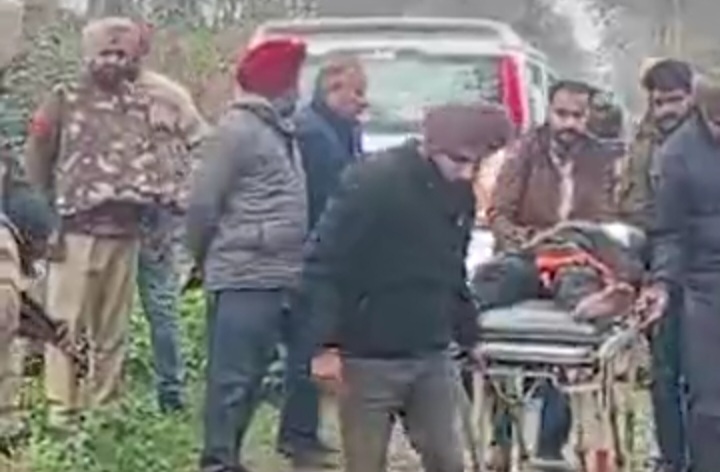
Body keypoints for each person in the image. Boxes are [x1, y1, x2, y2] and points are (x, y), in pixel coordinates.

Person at [304, 102, 513, 472]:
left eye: (476, 163)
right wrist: (324, 345)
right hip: (366, 354)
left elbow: (451, 269)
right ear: (432, 147)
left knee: (449, 460)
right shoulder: (373, 182)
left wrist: (469, 335)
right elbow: (324, 263)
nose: (467, 172)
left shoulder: (459, 194)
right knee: (365, 463)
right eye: (459, 160)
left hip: (431, 352)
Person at [23, 17, 176, 430]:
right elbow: (36, 159)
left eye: (121, 53)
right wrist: (47, 220)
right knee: (65, 325)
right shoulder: (64, 98)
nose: (113, 61)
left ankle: (106, 408)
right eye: (105, 53)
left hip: (124, 233)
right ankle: (63, 411)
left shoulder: (140, 103)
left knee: (113, 330)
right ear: (89, 54)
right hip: (74, 233)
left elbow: (156, 160)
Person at [186, 37, 308, 472]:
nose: (299, 89)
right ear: (280, 84)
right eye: (294, 80)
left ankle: (230, 458)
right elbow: (203, 205)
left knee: (253, 376)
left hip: (272, 273)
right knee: (232, 379)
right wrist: (202, 258)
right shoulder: (237, 131)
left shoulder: (276, 129)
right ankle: (218, 462)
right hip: (243, 272)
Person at [485, 79, 616, 465]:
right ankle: (500, 436)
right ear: (549, 112)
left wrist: (583, 247)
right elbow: (499, 214)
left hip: (576, 257)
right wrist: (530, 243)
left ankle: (549, 448)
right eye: (562, 114)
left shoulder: (602, 159)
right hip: (527, 253)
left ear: (588, 117)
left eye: (578, 115)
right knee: (490, 288)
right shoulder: (524, 151)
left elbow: (608, 217)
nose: (569, 124)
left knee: (575, 318)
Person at [276, 55, 367, 466]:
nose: (362, 101)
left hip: (331, 251)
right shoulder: (312, 133)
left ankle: (305, 431)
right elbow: (323, 196)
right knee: (307, 347)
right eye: (356, 92)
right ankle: (297, 437)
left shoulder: (343, 129)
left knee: (315, 342)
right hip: (313, 253)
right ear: (331, 90)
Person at [616, 58, 694, 472]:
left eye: (675, 100)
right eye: (659, 102)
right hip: (658, 270)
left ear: (691, 96)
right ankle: (671, 458)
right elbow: (632, 206)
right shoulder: (643, 144)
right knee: (664, 374)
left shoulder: (707, 139)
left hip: (704, 272)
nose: (667, 111)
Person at [128, 20, 209, 413]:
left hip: (154, 216)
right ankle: (98, 400)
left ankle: (171, 395)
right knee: (99, 309)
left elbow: (203, 146)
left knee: (160, 304)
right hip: (100, 218)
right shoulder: (85, 95)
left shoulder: (167, 95)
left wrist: (183, 195)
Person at [642, 78, 720, 472]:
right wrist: (662, 283)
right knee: (710, 400)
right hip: (705, 283)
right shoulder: (678, 154)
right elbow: (668, 232)